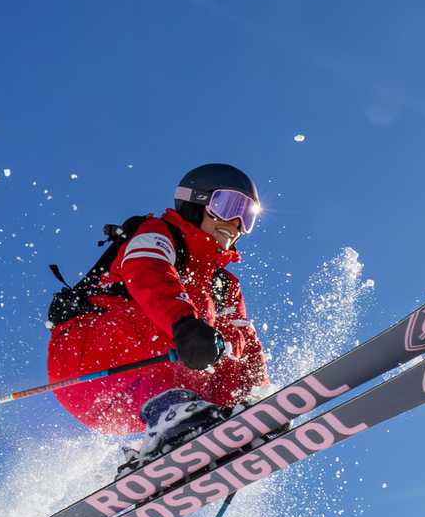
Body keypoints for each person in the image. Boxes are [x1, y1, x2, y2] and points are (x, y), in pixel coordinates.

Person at [47, 162, 270, 448]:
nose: (236, 223)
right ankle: (172, 414)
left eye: (247, 216)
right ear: (196, 202)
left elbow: (243, 343)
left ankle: (219, 414)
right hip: (88, 366)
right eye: (228, 206)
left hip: (138, 401)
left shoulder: (224, 285)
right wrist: (186, 324)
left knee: (227, 342)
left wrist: (258, 397)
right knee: (185, 323)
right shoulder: (159, 234)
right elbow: (148, 272)